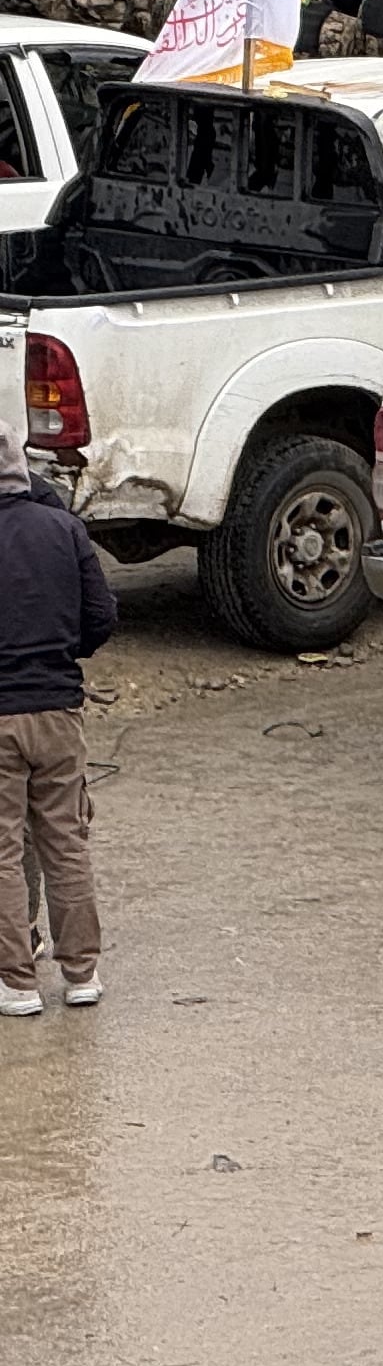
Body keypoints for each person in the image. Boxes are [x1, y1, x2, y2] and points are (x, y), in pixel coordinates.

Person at [0, 418, 113, 1015]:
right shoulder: (63, 528)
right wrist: (62, 655)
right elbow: (101, 617)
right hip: (58, 709)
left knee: (2, 849)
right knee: (65, 840)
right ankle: (81, 974)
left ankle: (17, 982)